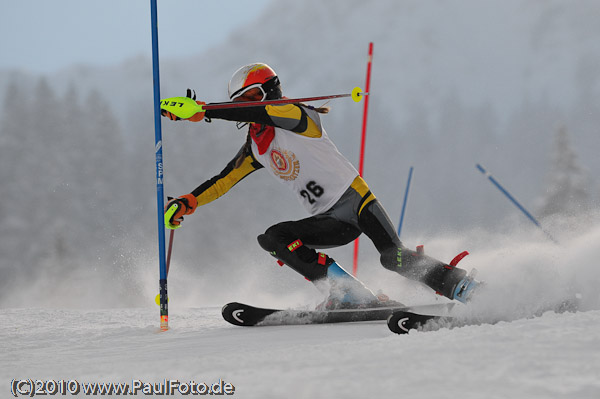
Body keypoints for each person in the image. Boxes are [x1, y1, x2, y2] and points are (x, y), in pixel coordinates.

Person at [162, 63, 479, 309]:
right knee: (274, 238)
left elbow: (268, 112)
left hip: (357, 202)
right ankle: (347, 293)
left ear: (270, 92)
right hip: (329, 221)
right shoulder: (257, 148)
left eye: (251, 98)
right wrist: (188, 202)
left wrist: (205, 110)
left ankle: (462, 287)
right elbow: (222, 181)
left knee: (391, 257)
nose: (246, 109)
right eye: (239, 103)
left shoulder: (297, 116)